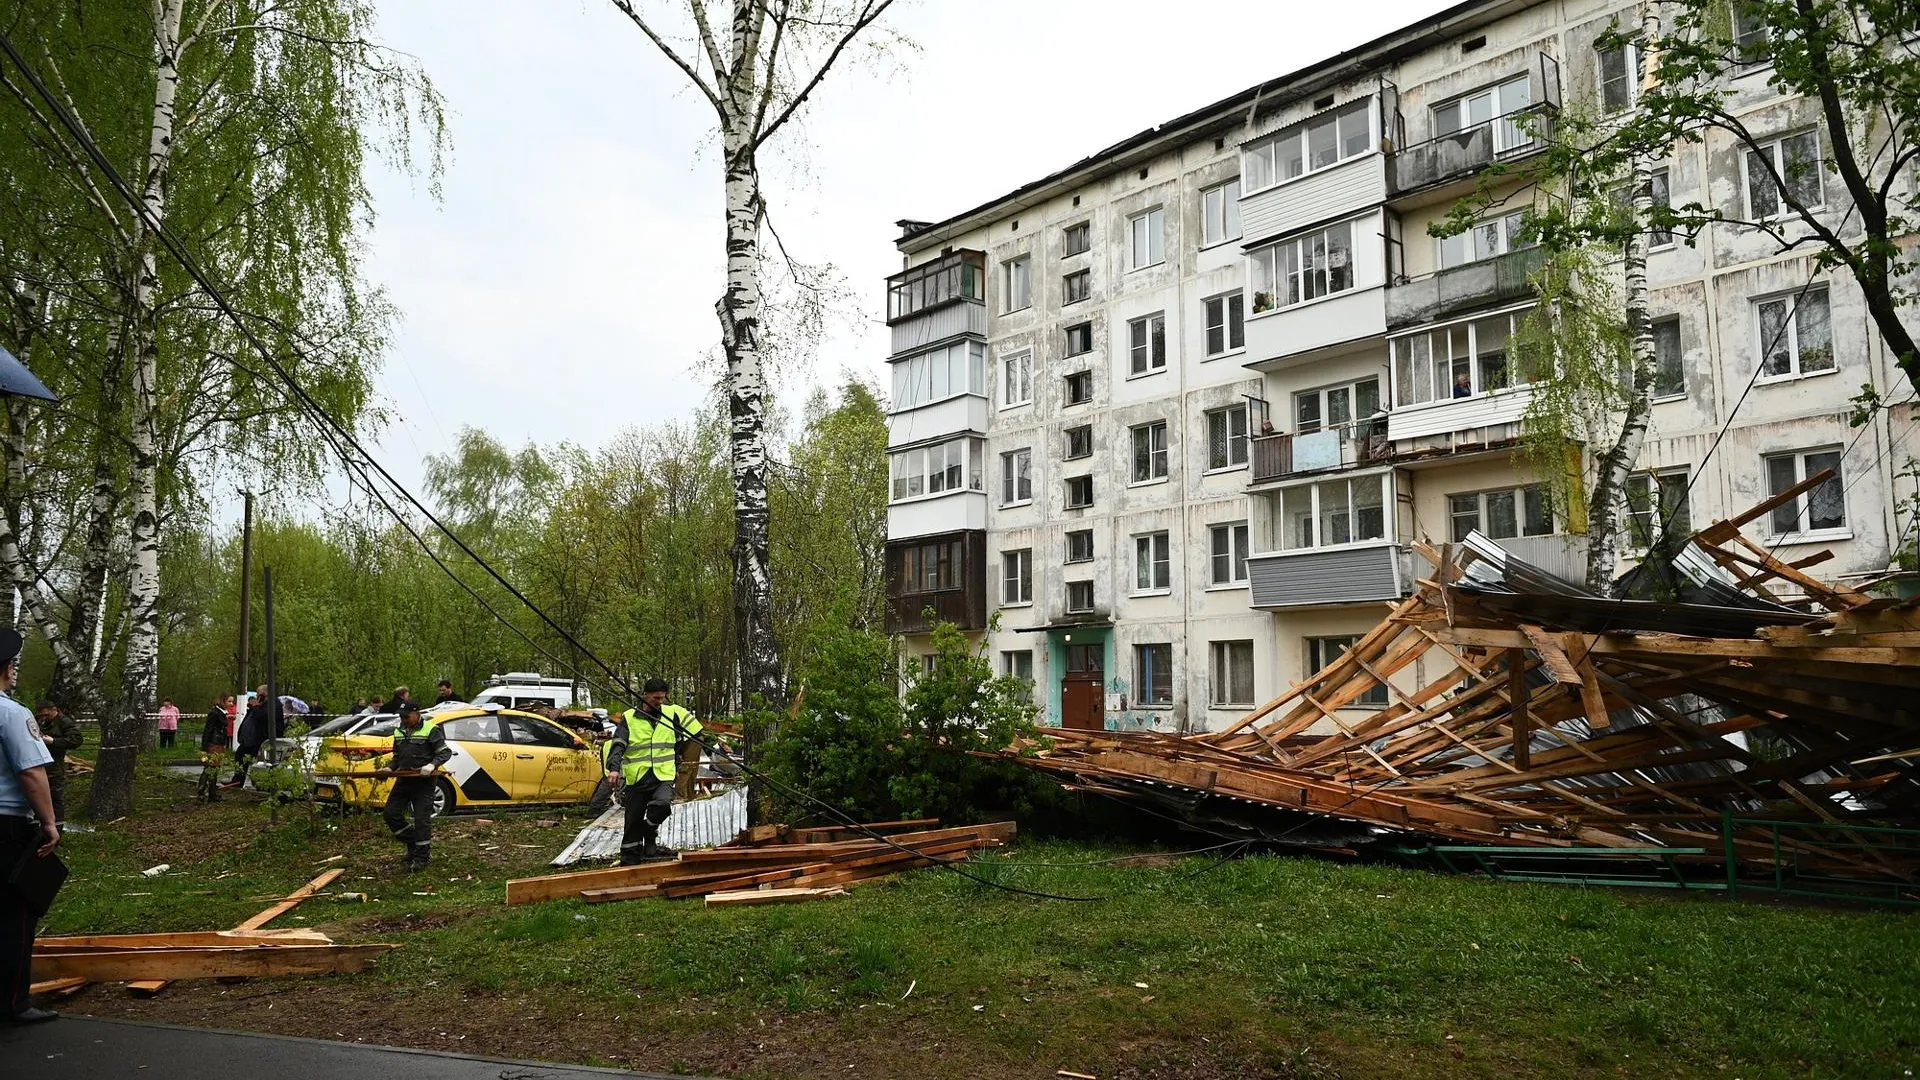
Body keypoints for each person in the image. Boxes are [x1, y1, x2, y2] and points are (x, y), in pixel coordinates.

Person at [0, 628, 61, 1024]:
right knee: (15, 914)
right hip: (6, 826)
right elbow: (32, 774)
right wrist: (49, 822)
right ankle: (12, 1003)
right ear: (6, 667)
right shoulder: (12, 712)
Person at [603, 678, 703, 865]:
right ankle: (630, 860)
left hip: (663, 775)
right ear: (645, 695)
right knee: (632, 822)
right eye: (656, 698)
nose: (659, 702)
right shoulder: (630, 717)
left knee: (663, 805)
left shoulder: (672, 714)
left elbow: (695, 734)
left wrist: (679, 757)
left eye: (662, 698)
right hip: (637, 777)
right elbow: (618, 744)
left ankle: (649, 830)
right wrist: (614, 769)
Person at [381, 701, 450, 872]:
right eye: (400, 717)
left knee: (421, 820)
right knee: (391, 814)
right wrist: (390, 768)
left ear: (416, 714)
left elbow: (444, 752)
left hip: (424, 783)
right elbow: (397, 756)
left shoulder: (431, 730)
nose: (403, 720)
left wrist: (431, 765)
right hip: (404, 780)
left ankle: (421, 857)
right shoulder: (399, 731)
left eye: (406, 716)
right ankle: (412, 841)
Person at [32, 703, 81, 826]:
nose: (44, 717)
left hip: (54, 767)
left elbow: (76, 740)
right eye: (41, 715)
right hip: (38, 765)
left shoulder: (64, 722)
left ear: (54, 710)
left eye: (46, 714)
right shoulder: (38, 720)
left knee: (55, 798)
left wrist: (53, 742)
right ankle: (37, 826)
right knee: (36, 797)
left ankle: (57, 826)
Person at [197, 695, 232, 802]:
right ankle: (202, 793)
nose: (231, 704)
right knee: (210, 768)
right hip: (213, 744)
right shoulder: (215, 713)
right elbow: (208, 729)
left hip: (218, 743)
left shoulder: (220, 713)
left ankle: (211, 793)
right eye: (229, 701)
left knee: (214, 769)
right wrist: (205, 746)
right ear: (223, 701)